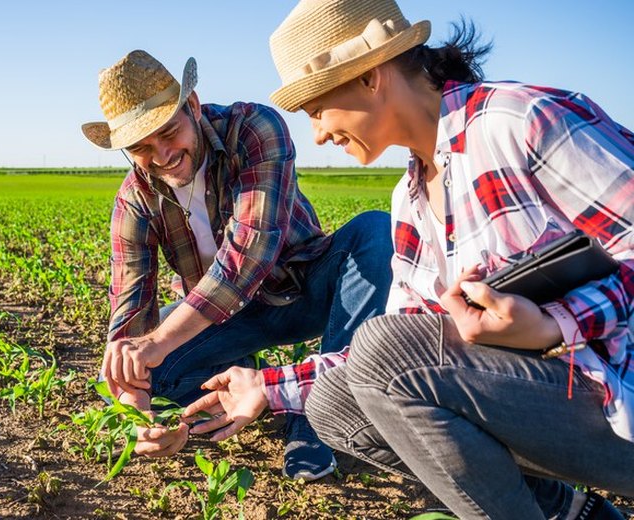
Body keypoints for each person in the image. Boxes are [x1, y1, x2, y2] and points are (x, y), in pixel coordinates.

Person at [184, 0, 634, 518]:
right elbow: (406, 346)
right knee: (336, 408)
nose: (320, 135)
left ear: (371, 77)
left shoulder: (520, 122)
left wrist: (554, 324)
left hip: (614, 394)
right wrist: (268, 385)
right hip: (554, 407)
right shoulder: (410, 199)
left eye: (317, 111)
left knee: (380, 351)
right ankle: (567, 511)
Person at [81, 50, 393, 479]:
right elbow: (129, 310)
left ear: (192, 106)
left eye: (169, 133)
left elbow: (248, 257)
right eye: (141, 148)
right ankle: (247, 385)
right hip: (221, 321)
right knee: (147, 379)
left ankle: (315, 417)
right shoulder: (135, 199)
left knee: (376, 231)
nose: (163, 154)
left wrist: (155, 345)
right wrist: (141, 413)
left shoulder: (253, 129)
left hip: (302, 291)